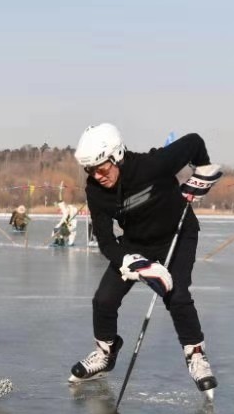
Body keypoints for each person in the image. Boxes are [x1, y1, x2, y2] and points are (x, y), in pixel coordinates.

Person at [67, 123, 222, 398]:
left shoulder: (152, 165)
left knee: (176, 295)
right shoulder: (96, 190)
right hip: (136, 242)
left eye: (101, 168)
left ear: (116, 156)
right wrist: (132, 263)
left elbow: (195, 141)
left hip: (177, 233)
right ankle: (106, 351)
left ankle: (196, 354)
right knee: (103, 299)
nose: (97, 176)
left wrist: (203, 173)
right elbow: (104, 241)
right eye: (89, 170)